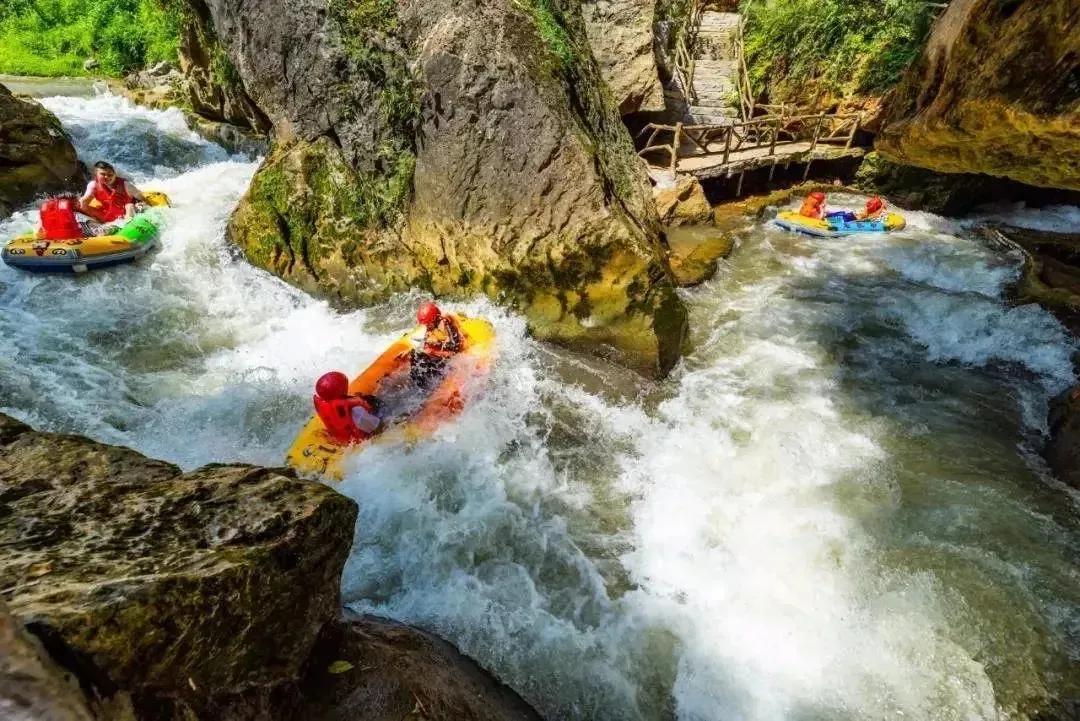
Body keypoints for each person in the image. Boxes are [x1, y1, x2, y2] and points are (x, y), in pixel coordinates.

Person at [312, 371, 381, 444]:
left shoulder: (325, 404)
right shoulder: (356, 411)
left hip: (340, 438)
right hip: (358, 442)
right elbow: (376, 428)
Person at [409, 301, 463, 389]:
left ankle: (435, 384)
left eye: (428, 325)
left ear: (435, 319)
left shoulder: (445, 323)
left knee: (424, 355)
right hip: (439, 352)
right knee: (415, 353)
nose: (427, 327)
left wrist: (435, 343)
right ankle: (417, 384)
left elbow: (455, 346)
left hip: (450, 356)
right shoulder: (430, 324)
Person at [79, 161, 146, 224]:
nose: (106, 177)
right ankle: (95, 225)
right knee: (83, 204)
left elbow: (142, 200)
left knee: (129, 206)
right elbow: (85, 200)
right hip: (108, 214)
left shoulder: (126, 185)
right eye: (103, 174)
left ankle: (127, 227)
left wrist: (140, 205)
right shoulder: (93, 185)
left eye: (110, 174)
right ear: (96, 174)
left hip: (127, 214)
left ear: (115, 175)